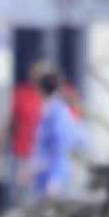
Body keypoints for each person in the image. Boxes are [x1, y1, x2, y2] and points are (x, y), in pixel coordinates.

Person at [0, 58, 53, 206]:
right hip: (22, 153)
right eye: (36, 73)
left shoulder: (57, 99)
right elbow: (9, 122)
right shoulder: (22, 93)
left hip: (45, 158)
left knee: (43, 198)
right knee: (19, 197)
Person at [28, 69, 80, 198]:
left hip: (55, 179)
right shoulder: (47, 110)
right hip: (44, 176)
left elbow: (61, 148)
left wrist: (55, 180)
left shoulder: (58, 113)